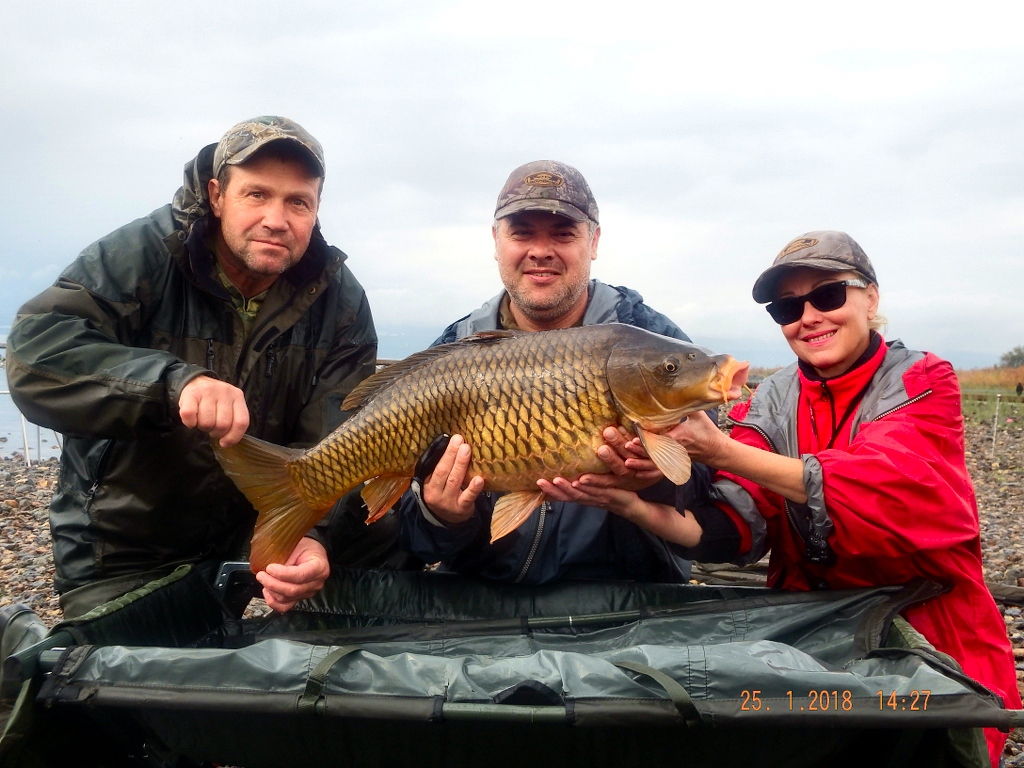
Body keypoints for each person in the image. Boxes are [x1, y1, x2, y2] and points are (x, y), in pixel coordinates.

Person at [566, 231, 1020, 765]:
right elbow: (737, 524)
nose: (808, 317)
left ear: (871, 298)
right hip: (811, 637)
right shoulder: (770, 399)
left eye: (827, 296)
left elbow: (892, 489)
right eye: (787, 307)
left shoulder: (922, 379)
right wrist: (636, 507)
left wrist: (720, 451)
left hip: (931, 634)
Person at [6, 116, 388, 617]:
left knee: (386, 530)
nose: (277, 218)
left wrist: (311, 536)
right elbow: (35, 352)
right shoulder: (143, 254)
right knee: (123, 680)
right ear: (216, 194)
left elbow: (336, 434)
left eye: (298, 201)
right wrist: (171, 384)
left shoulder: (339, 298)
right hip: (124, 544)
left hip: (250, 529)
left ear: (316, 210)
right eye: (257, 195)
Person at [396, 160, 708, 584]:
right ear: (496, 240)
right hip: (487, 601)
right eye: (522, 232)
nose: (541, 250)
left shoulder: (651, 342)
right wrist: (441, 515)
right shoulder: (454, 353)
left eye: (563, 233)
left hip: (625, 600)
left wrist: (654, 482)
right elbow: (415, 538)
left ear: (593, 241)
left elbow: (709, 493)